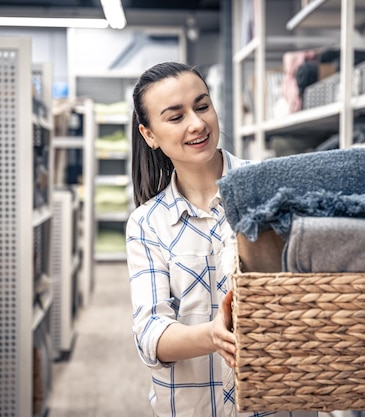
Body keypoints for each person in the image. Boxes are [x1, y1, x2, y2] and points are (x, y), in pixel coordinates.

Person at [126, 62, 319, 417]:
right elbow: (151, 334)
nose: (197, 123)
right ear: (149, 134)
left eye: (202, 106)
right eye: (175, 116)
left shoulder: (272, 189)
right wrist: (212, 336)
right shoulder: (147, 224)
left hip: (280, 405)